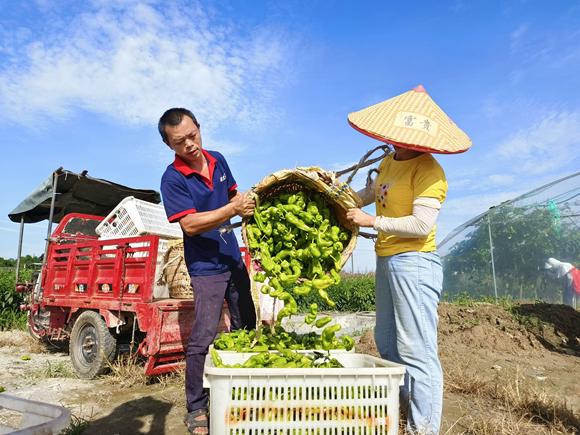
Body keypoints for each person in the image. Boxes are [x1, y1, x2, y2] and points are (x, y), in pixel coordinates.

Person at [159, 108, 257, 434]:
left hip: (232, 256)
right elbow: (189, 224)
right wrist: (232, 209)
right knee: (203, 336)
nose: (189, 144)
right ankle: (196, 407)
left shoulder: (218, 160)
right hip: (206, 267)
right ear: (168, 144)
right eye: (179, 141)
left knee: (246, 324)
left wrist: (251, 204)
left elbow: (234, 196)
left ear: (199, 128)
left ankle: (242, 388)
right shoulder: (172, 179)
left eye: (192, 135)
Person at [346, 145, 447, 434]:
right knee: (387, 340)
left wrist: (372, 221)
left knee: (417, 349)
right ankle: (404, 409)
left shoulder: (428, 169)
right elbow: (370, 194)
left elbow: (422, 225)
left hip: (414, 261)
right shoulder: (389, 161)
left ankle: (423, 428)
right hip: (387, 258)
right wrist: (341, 197)